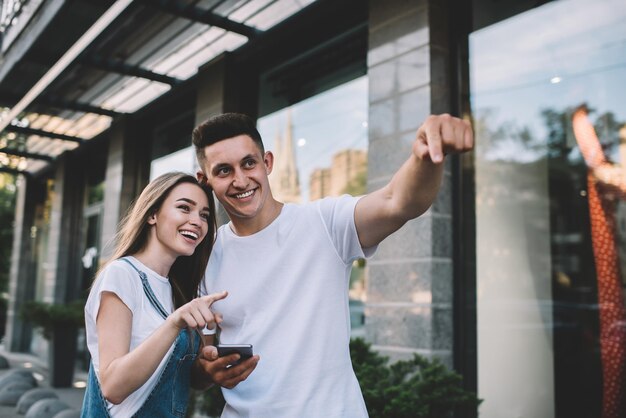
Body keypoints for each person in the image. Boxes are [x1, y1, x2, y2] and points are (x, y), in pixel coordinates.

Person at [190, 113, 473, 417]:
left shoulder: (324, 223)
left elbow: (397, 202)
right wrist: (210, 371)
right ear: (205, 180)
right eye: (223, 170)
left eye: (249, 163)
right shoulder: (205, 257)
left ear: (267, 163)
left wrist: (426, 155)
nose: (241, 180)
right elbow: (198, 367)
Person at [81, 172, 228, 417]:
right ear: (152, 214)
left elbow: (192, 381)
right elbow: (113, 386)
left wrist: (211, 366)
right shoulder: (122, 275)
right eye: (184, 208)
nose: (197, 222)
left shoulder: (179, 290)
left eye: (204, 215)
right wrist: (174, 323)